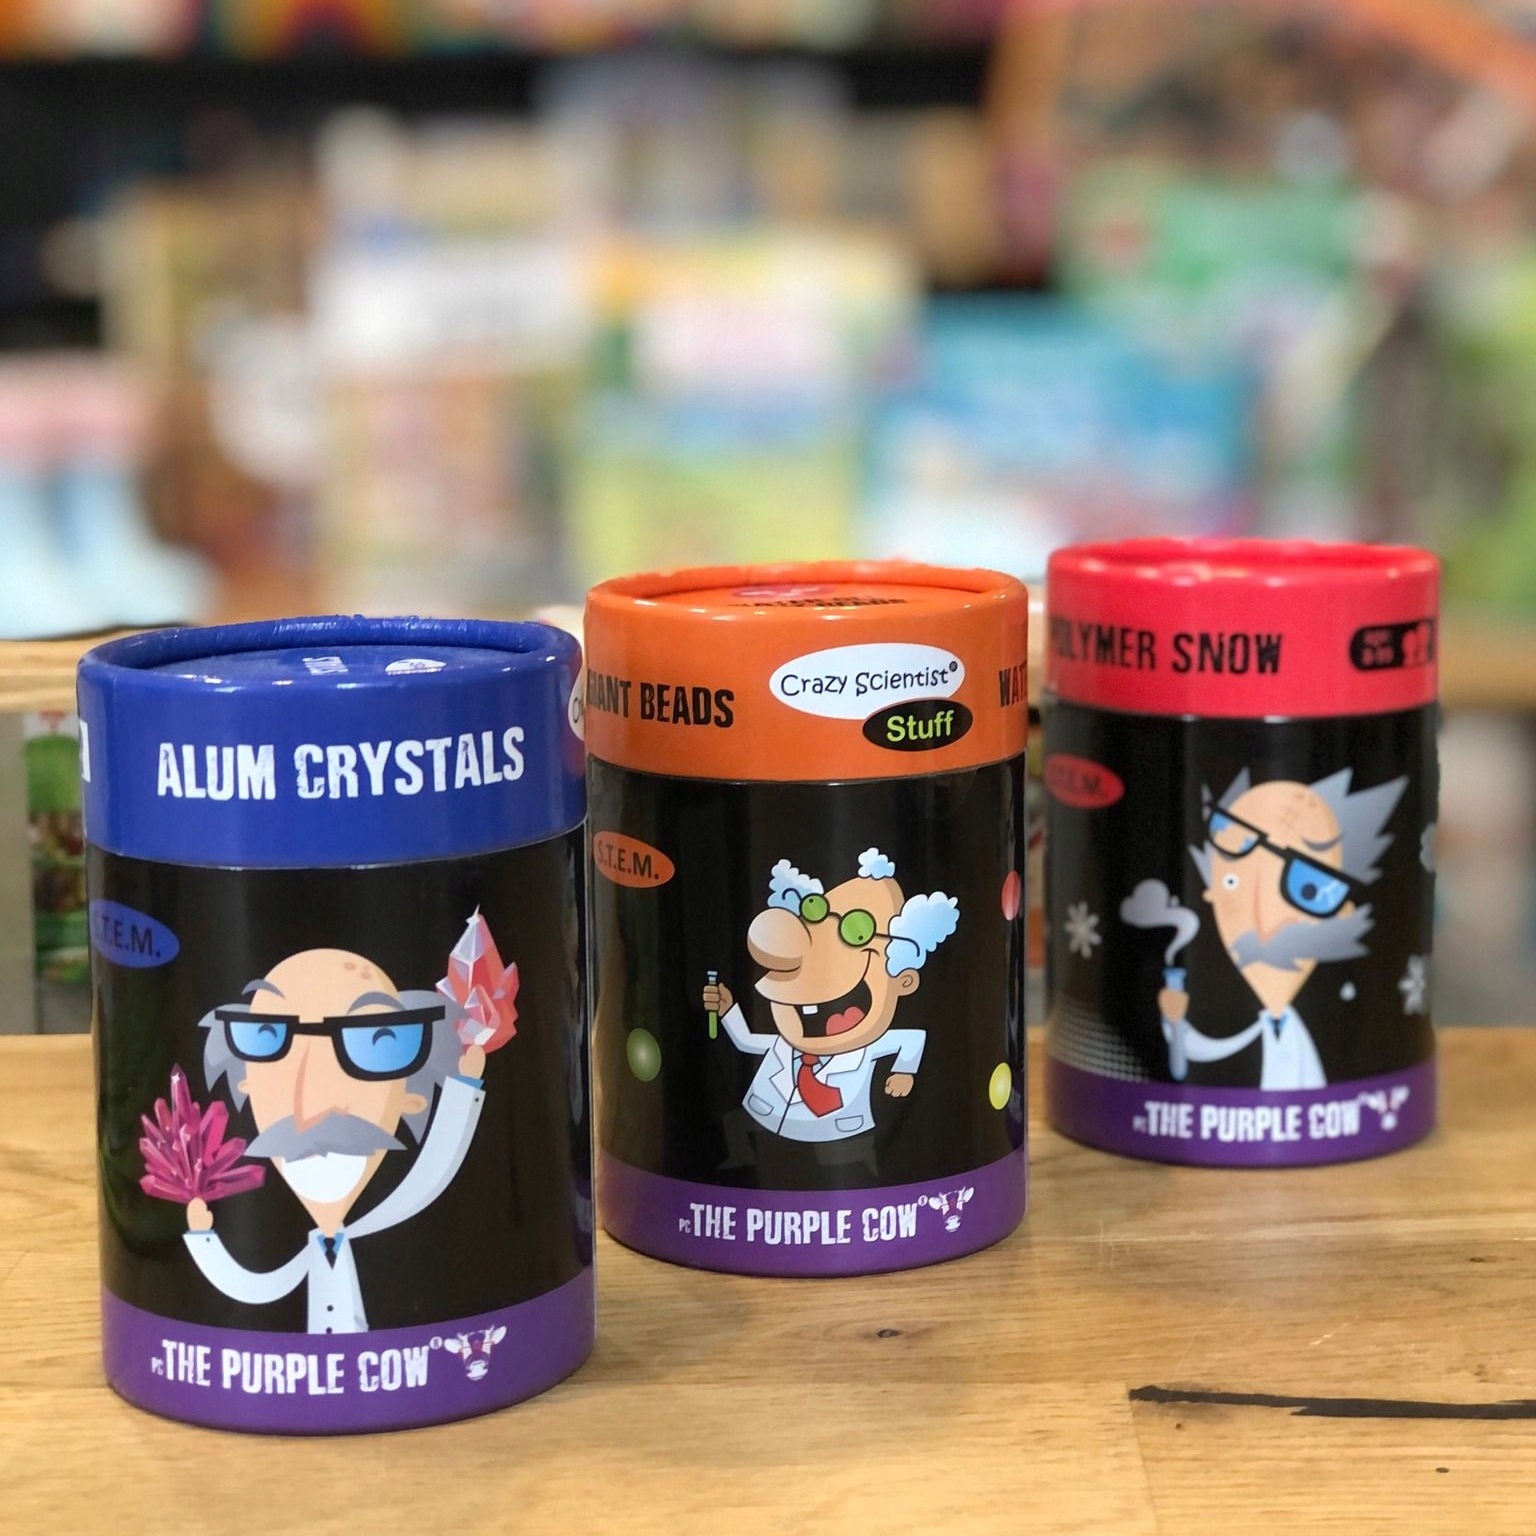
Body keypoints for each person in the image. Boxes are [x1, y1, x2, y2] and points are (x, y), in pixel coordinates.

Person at [183, 946, 484, 1334]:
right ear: (245, 1084)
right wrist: (202, 1236)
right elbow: (252, 1287)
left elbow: (436, 1164)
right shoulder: (305, 1253)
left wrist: (464, 1086)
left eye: (378, 1041)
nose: (311, 1105)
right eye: (267, 1036)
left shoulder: (391, 1213)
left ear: (412, 1096)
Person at [1160, 768, 1405, 1090]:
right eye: (1233, 881)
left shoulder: (1328, 1028)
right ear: (1210, 888)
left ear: (1343, 909)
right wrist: (1174, 1022)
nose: (1264, 923)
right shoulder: (1229, 1019)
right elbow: (1195, 1056)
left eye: (1309, 889)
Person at [704, 847, 957, 1155]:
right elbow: (746, 1042)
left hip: (842, 1131)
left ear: (903, 981)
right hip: (765, 1122)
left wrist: (903, 1071)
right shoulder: (784, 1045)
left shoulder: (866, 1049)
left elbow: (913, 1039)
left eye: (856, 933)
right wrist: (728, 1010)